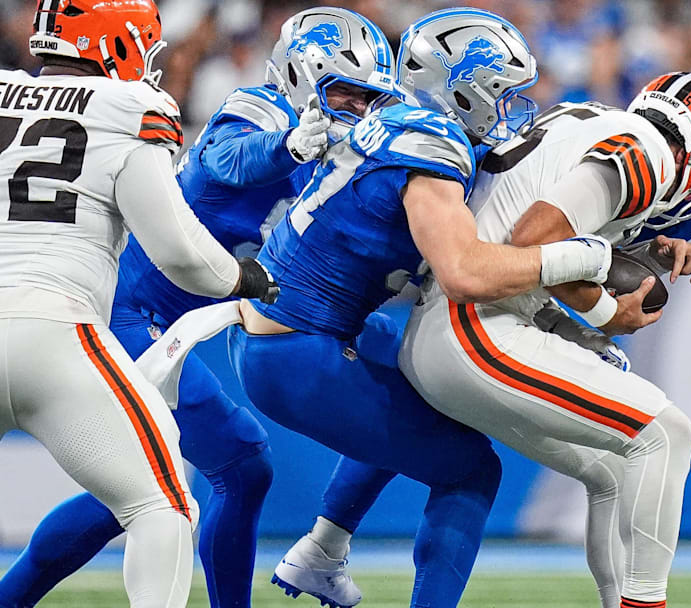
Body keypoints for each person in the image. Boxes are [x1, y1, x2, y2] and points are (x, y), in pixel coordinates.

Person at [0, 7, 394, 608]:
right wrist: (287, 146)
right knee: (212, 475)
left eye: (368, 98)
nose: (357, 110)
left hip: (161, 316)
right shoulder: (261, 111)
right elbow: (226, 157)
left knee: (158, 487)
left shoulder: (353, 146)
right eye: (343, 91)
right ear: (298, 75)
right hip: (131, 313)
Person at [227, 8, 614, 608]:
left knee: (423, 378)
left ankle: (321, 552)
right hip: (296, 350)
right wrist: (573, 259)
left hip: (290, 331)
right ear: (459, 87)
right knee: (471, 471)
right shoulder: (432, 147)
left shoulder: (400, 126)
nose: (512, 108)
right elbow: (462, 273)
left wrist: (568, 329)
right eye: (502, 93)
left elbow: (433, 274)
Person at [397, 72, 691, 608]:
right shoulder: (648, 151)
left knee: (615, 469)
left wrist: (640, 251)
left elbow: (542, 235)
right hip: (474, 325)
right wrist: (605, 312)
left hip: (444, 329)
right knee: (665, 432)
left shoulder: (590, 121)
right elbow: (538, 240)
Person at [0, 1, 277, 606]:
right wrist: (242, 279)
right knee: (164, 503)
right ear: (122, 44)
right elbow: (180, 254)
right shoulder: (130, 108)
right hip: (56, 331)